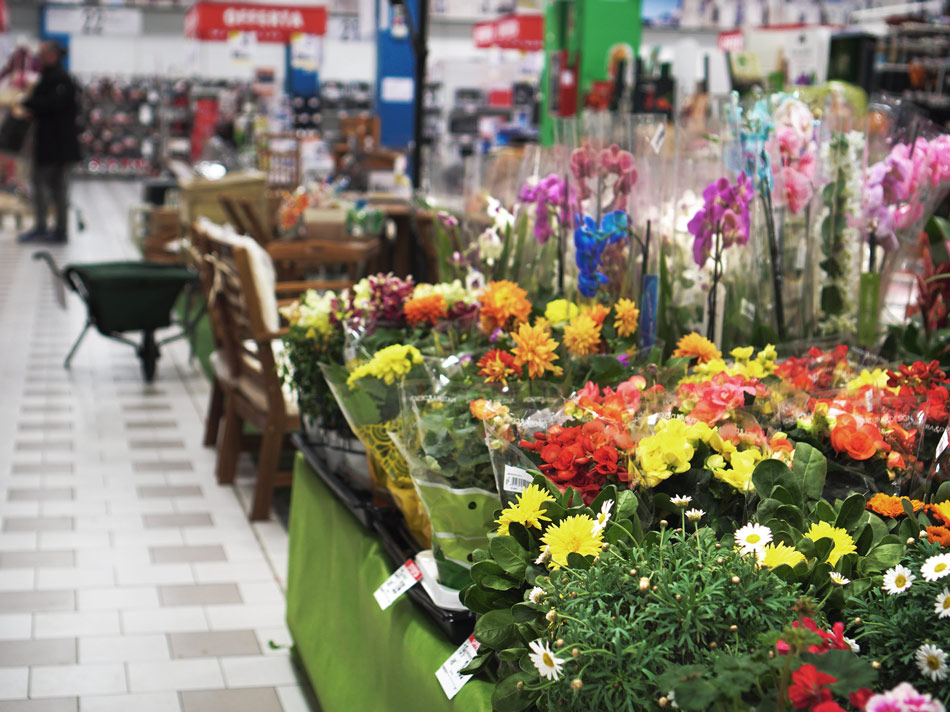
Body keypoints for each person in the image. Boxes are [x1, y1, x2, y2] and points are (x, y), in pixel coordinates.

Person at [16, 41, 80, 244]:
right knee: (48, 186)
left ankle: (54, 229)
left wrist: (28, 102)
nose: (39, 57)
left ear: (53, 55)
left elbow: (53, 104)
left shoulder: (60, 79)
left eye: (43, 53)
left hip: (58, 145)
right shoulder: (50, 76)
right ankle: (45, 227)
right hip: (50, 143)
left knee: (53, 187)